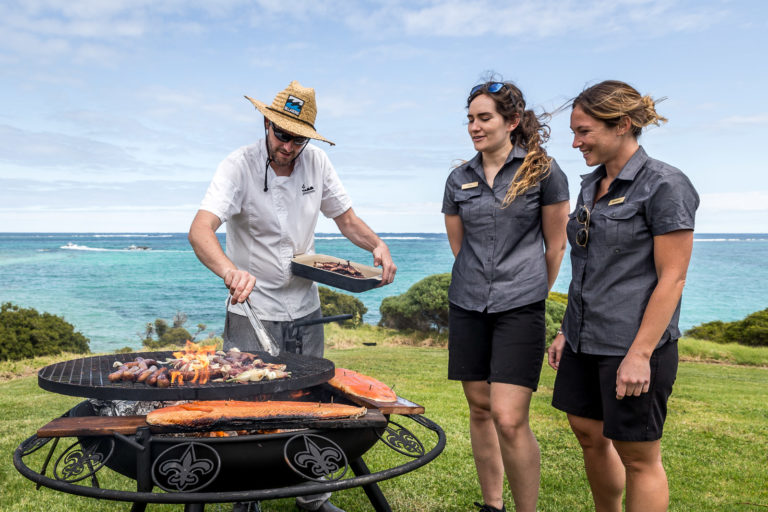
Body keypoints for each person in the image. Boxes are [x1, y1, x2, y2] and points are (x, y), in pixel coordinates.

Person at [188, 80, 396, 512]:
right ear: (266, 124)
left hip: (305, 307)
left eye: (298, 139)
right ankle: (246, 499)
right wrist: (229, 270)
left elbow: (346, 218)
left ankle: (313, 497)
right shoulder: (238, 165)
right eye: (282, 135)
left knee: (312, 400)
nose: (288, 146)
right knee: (244, 405)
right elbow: (200, 230)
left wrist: (376, 244)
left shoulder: (317, 162)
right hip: (252, 309)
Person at [547, 80, 699, 512]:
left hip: (632, 344)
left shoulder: (665, 184)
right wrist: (566, 330)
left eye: (584, 131)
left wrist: (640, 354)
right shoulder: (590, 185)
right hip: (583, 339)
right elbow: (587, 266)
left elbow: (672, 278)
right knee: (587, 433)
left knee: (637, 456)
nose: (575, 143)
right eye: (574, 132)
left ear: (623, 125)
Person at [442, 79, 570, 512]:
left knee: (510, 418)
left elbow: (556, 246)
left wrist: (530, 291)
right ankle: (492, 505)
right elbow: (460, 247)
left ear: (512, 121)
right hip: (467, 305)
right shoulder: (458, 179)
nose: (475, 127)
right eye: (470, 119)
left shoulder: (544, 172)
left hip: (521, 307)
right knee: (480, 409)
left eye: (485, 118)